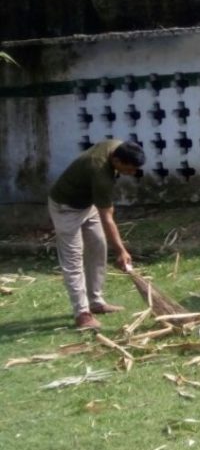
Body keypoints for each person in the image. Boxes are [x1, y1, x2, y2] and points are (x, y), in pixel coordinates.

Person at [48, 140, 146, 330]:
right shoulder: (101, 173)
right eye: (129, 168)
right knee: (73, 259)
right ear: (116, 160)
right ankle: (82, 314)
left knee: (98, 246)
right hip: (66, 208)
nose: (131, 173)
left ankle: (95, 301)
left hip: (87, 203)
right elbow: (107, 217)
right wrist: (121, 251)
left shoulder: (116, 146)